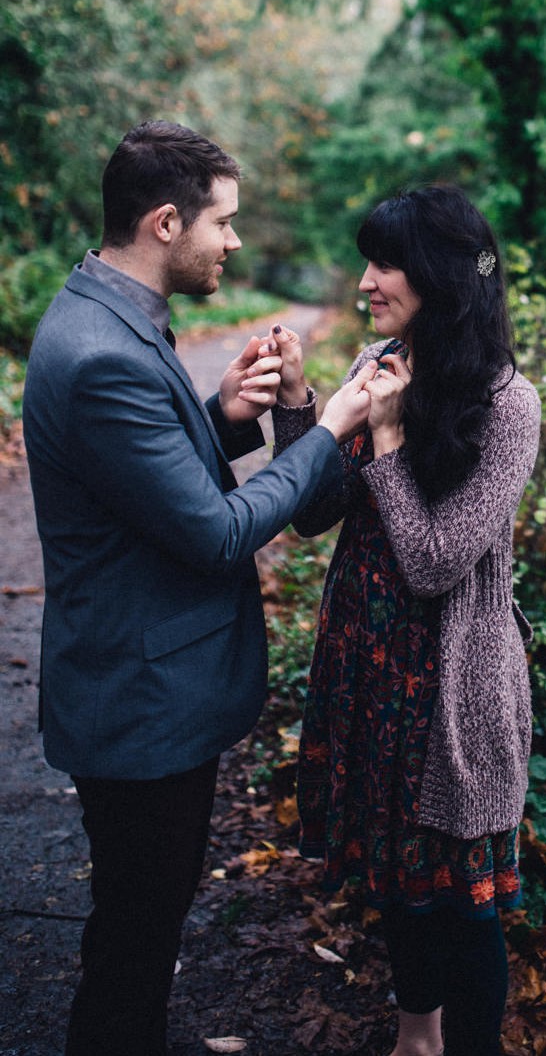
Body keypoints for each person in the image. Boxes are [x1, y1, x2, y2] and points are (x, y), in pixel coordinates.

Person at [22, 120, 378, 1056]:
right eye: (224, 222)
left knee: (140, 929)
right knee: (134, 946)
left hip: (137, 693)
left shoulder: (106, 315)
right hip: (139, 706)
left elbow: (139, 484)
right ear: (167, 221)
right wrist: (332, 424)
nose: (235, 242)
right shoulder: (101, 353)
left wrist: (219, 417)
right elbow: (214, 533)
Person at [267, 184, 541, 1056]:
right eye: (367, 260)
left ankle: (467, 1046)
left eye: (384, 263)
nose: (364, 282)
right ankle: (413, 1038)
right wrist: (303, 406)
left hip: (449, 686)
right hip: (371, 666)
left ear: (439, 276)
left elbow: (433, 562)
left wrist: (385, 441)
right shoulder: (381, 362)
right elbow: (313, 514)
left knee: (464, 902)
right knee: (400, 879)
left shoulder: (506, 406)